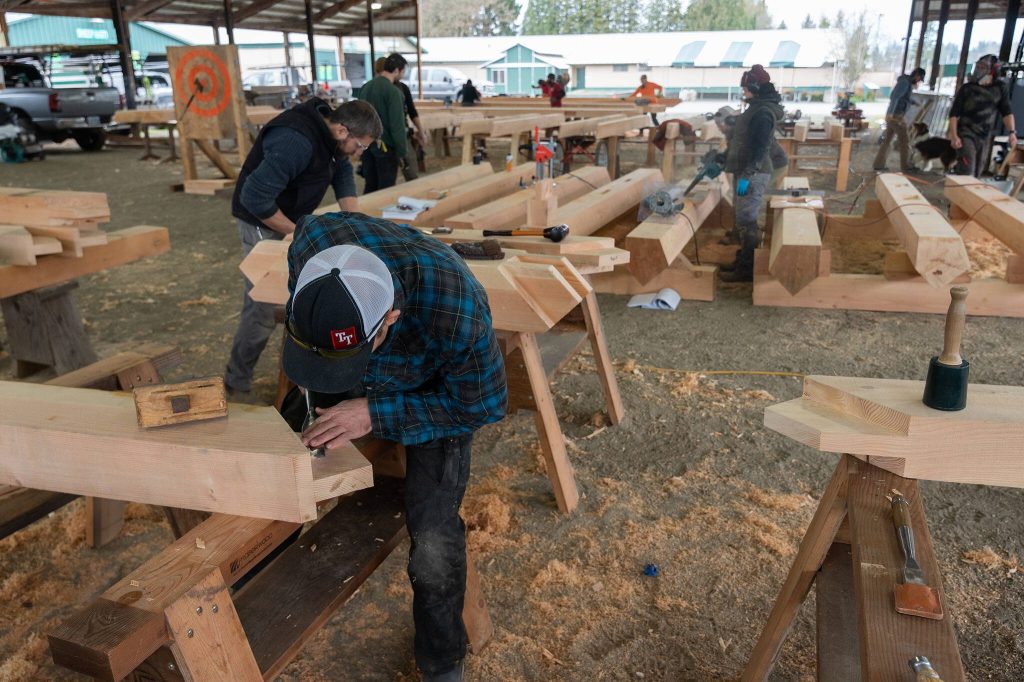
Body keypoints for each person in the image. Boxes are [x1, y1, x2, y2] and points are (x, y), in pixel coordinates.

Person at [283, 212, 508, 682]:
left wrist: (373, 412)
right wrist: (325, 376)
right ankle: (245, 582)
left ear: (389, 320)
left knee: (432, 539)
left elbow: (483, 406)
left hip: (432, 393)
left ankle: (442, 661)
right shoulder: (313, 242)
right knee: (275, 468)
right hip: (351, 359)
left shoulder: (457, 308)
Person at [224, 99, 381, 398]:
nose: (360, 153)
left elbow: (342, 172)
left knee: (301, 296)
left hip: (288, 215)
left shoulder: (332, 138)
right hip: (260, 220)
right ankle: (236, 382)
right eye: (360, 145)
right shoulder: (295, 141)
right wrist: (301, 232)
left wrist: (356, 222)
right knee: (264, 307)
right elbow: (254, 197)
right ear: (341, 130)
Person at [720, 65, 784, 283]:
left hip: (753, 174)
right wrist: (723, 158)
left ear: (755, 87)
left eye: (746, 88)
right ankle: (742, 262)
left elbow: (760, 148)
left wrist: (747, 175)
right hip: (745, 171)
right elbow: (742, 142)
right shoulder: (756, 108)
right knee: (742, 217)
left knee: (747, 220)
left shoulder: (763, 113)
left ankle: (747, 270)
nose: (744, 92)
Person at [949, 54, 1017, 177]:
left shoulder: (1000, 88)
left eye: (983, 67)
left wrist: (1012, 132)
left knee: (977, 171)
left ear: (993, 70)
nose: (978, 69)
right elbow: (954, 114)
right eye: (978, 66)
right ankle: (961, 193)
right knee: (967, 169)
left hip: (984, 136)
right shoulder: (967, 88)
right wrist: (954, 136)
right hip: (965, 133)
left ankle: (966, 194)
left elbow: (1006, 112)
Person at [358, 52, 408, 192]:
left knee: (370, 185)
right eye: (403, 71)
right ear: (397, 70)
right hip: (385, 147)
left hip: (366, 144)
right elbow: (397, 125)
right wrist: (402, 152)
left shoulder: (366, 87)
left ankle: (365, 213)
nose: (403, 75)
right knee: (386, 189)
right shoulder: (393, 92)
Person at [872, 67, 926, 172]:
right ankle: (906, 166)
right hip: (896, 116)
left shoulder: (906, 83)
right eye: (919, 79)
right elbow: (895, 97)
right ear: (917, 75)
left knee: (887, 141)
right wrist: (890, 113)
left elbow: (904, 97)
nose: (919, 81)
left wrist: (914, 102)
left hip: (895, 115)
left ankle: (878, 164)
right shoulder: (905, 83)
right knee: (905, 141)